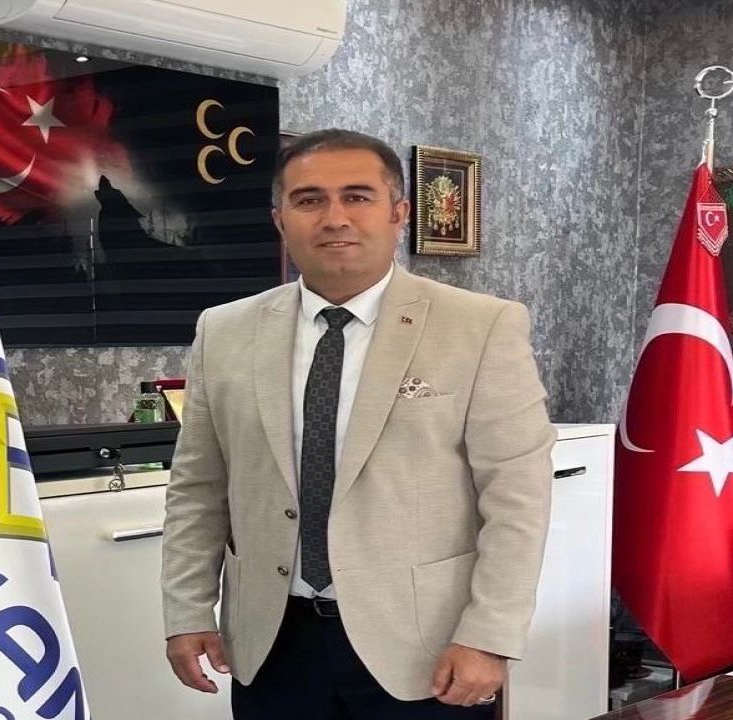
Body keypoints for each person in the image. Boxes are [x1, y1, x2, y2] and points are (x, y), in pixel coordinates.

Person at [161, 128, 554, 719]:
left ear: (399, 213)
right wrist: (187, 610)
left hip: (426, 648)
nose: (334, 218)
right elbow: (198, 488)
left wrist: (490, 635)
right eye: (309, 200)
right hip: (272, 643)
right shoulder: (224, 331)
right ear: (280, 220)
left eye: (357, 196)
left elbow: (518, 498)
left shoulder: (480, 327)